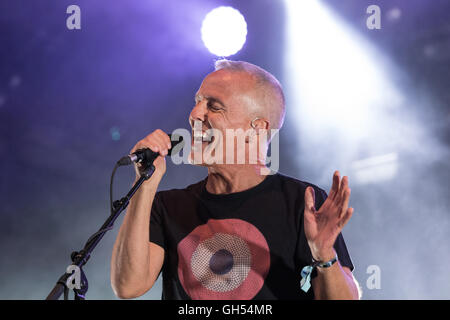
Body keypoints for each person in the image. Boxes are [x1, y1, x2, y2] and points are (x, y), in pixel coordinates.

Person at [110, 60, 360, 300]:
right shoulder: (167, 206)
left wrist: (324, 254)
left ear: (257, 129)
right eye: (197, 102)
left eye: (214, 106)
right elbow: (128, 286)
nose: (195, 114)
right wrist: (144, 184)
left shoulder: (303, 202)